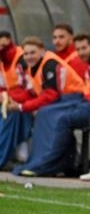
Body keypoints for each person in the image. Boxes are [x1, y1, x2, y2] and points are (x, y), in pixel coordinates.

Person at [11, 36, 85, 176]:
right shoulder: (32, 67)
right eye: (26, 54)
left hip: (74, 99)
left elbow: (50, 95)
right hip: (60, 101)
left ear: (42, 51)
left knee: (45, 114)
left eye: (33, 52)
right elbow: (32, 92)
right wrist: (11, 99)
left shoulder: (50, 63)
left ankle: (45, 163)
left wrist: (23, 107)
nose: (29, 57)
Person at [0, 31, 33, 169]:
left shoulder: (22, 57)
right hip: (11, 99)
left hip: (27, 98)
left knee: (12, 113)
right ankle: (18, 149)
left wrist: (10, 99)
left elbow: (31, 88)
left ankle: (4, 156)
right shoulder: (2, 61)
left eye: (3, 45)